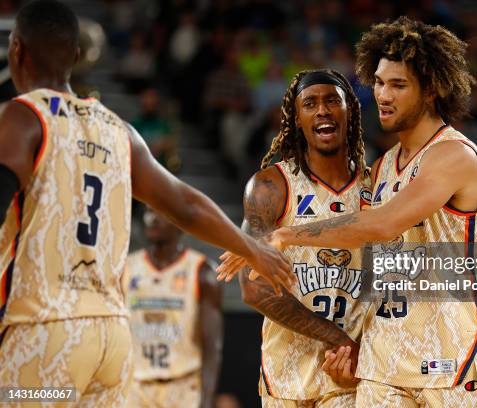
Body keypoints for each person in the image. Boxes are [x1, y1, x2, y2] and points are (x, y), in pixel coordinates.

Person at [219, 17, 477, 407]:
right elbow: (424, 269)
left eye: (398, 85)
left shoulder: (453, 155)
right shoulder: (385, 167)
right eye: (380, 82)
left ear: (432, 89)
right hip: (385, 369)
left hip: (452, 369)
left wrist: (286, 234)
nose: (383, 95)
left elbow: (385, 223)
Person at [0, 1, 291, 405]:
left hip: (43, 329)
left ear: (16, 51)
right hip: (111, 341)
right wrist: (252, 249)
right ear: (78, 57)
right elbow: (186, 204)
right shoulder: (119, 131)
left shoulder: (21, 116)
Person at [237, 69, 370, 407]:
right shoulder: (271, 186)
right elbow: (254, 288)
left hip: (348, 378)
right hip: (285, 375)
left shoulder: (377, 186)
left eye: (332, 101)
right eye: (310, 103)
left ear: (349, 111)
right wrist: (336, 337)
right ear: (297, 118)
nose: (322, 110)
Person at [126, 209, 222, 408]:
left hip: (183, 387)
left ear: (180, 222)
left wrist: (207, 400)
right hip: (135, 387)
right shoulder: (126, 268)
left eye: (160, 211)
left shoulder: (202, 271)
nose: (152, 218)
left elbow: (212, 346)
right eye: (148, 211)